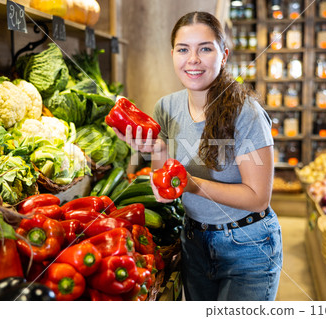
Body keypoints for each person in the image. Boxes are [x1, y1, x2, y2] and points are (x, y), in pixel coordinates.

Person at [112, 11, 282, 301]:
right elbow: (166, 189)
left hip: (247, 245)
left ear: (223, 54)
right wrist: (154, 150)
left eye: (205, 48)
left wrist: (192, 185)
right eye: (183, 49)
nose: (193, 59)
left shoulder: (246, 113)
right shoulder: (166, 107)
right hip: (194, 241)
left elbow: (258, 197)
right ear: (173, 54)